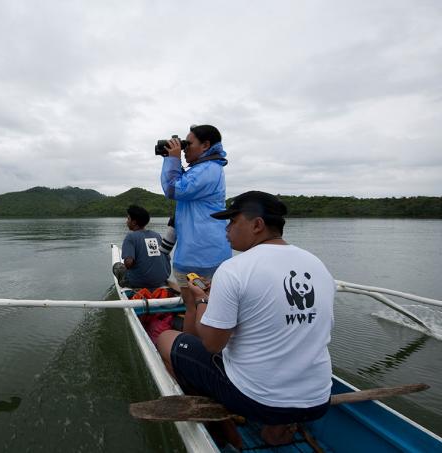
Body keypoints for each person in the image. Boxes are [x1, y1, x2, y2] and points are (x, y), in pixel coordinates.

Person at [156, 191, 335, 445]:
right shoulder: (317, 264)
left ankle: (214, 420)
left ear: (257, 225)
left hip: (258, 401)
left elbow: (211, 344)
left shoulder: (234, 269)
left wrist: (201, 299)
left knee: (165, 338)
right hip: (318, 399)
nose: (226, 229)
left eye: (232, 221)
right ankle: (276, 430)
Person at [160, 124, 232, 335]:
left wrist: (172, 159)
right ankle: (212, 348)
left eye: (188, 144)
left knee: (193, 307)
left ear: (206, 145)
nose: (184, 148)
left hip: (198, 258)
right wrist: (174, 160)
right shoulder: (209, 169)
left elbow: (173, 188)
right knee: (209, 305)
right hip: (209, 254)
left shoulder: (208, 170)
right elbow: (182, 184)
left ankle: (191, 353)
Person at [113, 205, 172, 289]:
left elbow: (128, 263)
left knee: (117, 266)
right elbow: (167, 258)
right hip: (161, 279)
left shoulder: (130, 237)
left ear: (134, 222)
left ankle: (129, 286)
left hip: (139, 282)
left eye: (128, 219)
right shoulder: (157, 235)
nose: (126, 221)